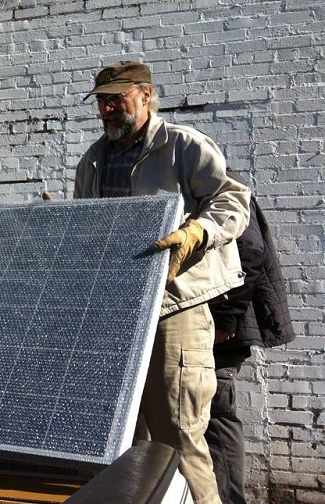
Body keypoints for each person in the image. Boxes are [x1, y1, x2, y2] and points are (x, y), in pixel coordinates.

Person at [72, 61, 251, 504]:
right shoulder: (92, 161)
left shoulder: (184, 146)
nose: (109, 109)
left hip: (175, 309)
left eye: (118, 98)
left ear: (147, 95)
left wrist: (197, 232)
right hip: (118, 315)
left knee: (179, 439)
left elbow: (233, 200)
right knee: (125, 442)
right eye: (102, 101)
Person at [205, 170, 294, 504]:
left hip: (222, 327)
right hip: (215, 323)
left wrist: (226, 319)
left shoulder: (216, 183)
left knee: (216, 414)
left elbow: (250, 250)